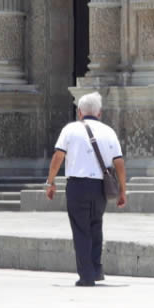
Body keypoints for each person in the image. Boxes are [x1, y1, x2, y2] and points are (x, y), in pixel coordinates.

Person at [43, 92, 127, 286]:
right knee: (96, 226)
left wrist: (50, 182)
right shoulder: (109, 131)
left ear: (79, 112)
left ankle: (86, 276)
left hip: (77, 186)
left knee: (81, 230)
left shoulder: (70, 129)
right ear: (100, 113)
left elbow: (58, 157)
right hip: (100, 187)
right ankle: (96, 269)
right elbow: (119, 163)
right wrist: (123, 190)